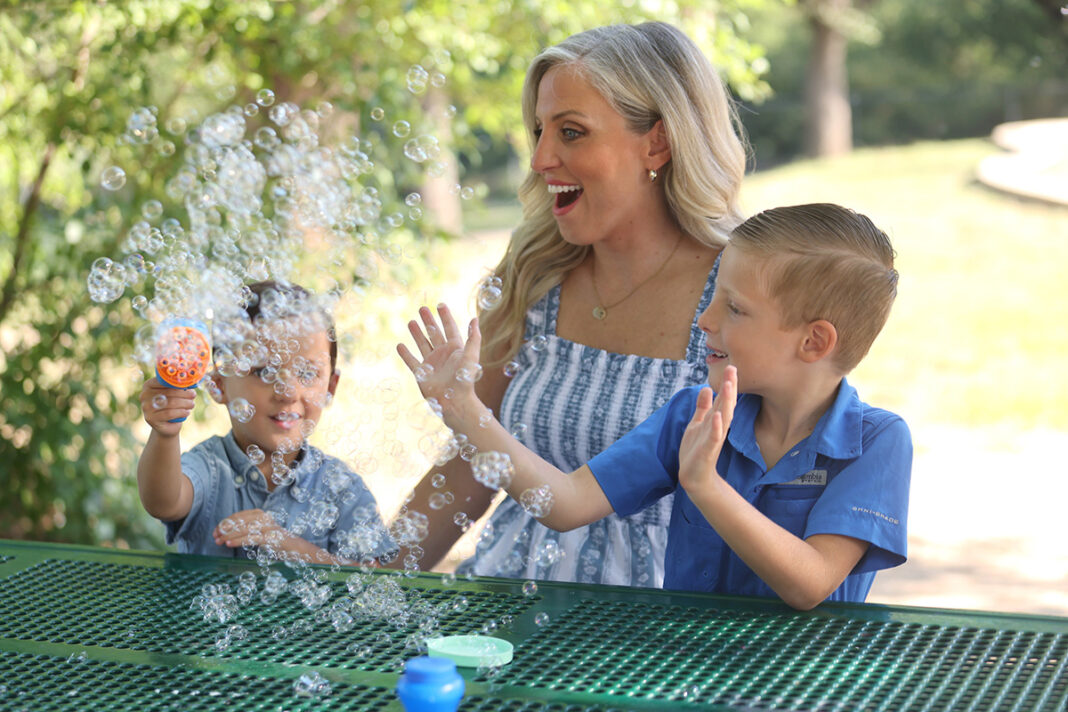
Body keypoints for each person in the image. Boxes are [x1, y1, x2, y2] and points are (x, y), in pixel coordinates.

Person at [399, 203, 911, 609]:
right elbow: (565, 503)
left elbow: (811, 583)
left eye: (734, 307)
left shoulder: (877, 442)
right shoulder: (693, 414)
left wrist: (706, 487)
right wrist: (463, 408)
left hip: (804, 692)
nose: (705, 319)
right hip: (684, 676)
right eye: (713, 298)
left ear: (814, 342)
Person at [396, 21, 747, 586]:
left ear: (657, 142)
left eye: (571, 132)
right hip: (510, 605)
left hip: (665, 623)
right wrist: (368, 580)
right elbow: (472, 463)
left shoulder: (742, 290)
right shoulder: (533, 271)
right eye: (539, 131)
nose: (540, 159)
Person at [137, 280, 393, 564]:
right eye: (263, 372)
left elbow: (371, 578)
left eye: (308, 374)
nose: (288, 392)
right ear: (218, 384)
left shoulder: (341, 487)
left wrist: (285, 544)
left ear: (331, 386)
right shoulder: (210, 468)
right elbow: (164, 502)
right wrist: (165, 434)